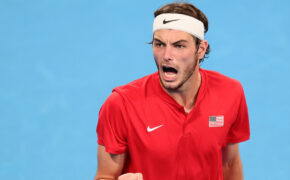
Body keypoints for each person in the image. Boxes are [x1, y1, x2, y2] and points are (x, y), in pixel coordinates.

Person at [95, 2, 250, 180]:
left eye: (179, 46)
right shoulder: (121, 104)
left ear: (201, 49)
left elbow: (229, 162)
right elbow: (105, 175)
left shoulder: (230, 92)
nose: (166, 55)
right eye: (159, 44)